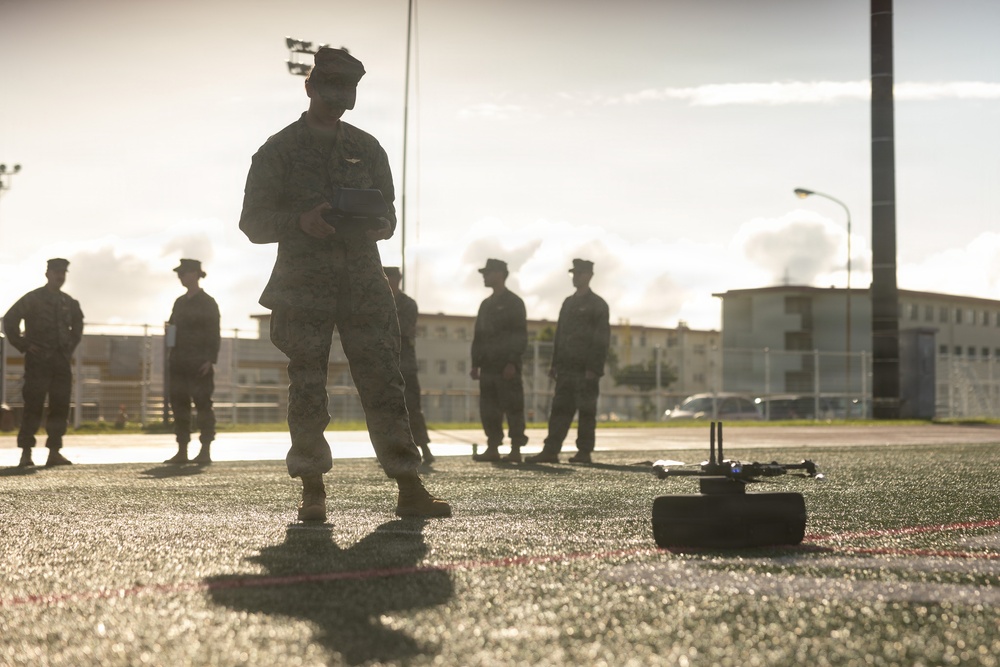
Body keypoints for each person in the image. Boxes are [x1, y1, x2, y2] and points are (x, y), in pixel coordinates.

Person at [239, 46, 450, 522]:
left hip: (362, 283)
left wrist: (380, 224)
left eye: (348, 91)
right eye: (331, 89)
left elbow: (388, 213)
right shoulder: (278, 150)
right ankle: (312, 489)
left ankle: (408, 485)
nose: (339, 99)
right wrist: (300, 221)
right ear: (310, 87)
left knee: (384, 382)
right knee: (308, 385)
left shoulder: (367, 148)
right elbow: (252, 222)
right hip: (303, 284)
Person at [526, 259, 610, 464]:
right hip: (566, 369)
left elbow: (601, 339)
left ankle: (584, 452)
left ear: (589, 275)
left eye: (579, 273)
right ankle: (551, 450)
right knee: (559, 411)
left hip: (585, 370)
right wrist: (555, 363)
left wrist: (593, 368)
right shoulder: (568, 303)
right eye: (574, 273)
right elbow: (560, 335)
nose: (575, 277)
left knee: (586, 412)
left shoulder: (598, 304)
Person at [2, 258, 84, 467]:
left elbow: (78, 326)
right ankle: (26, 453)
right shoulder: (33, 299)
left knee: (60, 406)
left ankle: (54, 451)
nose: (60, 276)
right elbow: (9, 320)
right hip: (38, 361)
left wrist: (68, 348)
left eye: (63, 273)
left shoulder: (69, 302)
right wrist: (24, 344)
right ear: (47, 274)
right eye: (56, 272)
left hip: (60, 362)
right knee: (33, 406)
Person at [469, 258, 528, 463]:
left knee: (513, 408)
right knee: (489, 410)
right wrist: (475, 363)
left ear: (500, 274)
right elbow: (479, 336)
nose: (484, 277)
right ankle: (493, 447)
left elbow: (520, 335)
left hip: (506, 367)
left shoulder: (514, 303)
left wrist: (512, 362)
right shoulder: (486, 305)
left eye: (488, 273)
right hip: (488, 367)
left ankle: (515, 449)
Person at [164, 259, 220, 465]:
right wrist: (170, 351)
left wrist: (210, 359)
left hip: (199, 363)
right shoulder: (179, 302)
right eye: (179, 274)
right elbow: (172, 327)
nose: (180, 277)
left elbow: (214, 332)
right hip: (178, 361)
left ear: (196, 274)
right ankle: (182, 450)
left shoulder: (208, 302)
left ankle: (205, 450)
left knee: (203, 405)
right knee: (179, 405)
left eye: (184, 273)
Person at [384, 266, 434, 464]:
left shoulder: (407, 304)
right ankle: (393, 449)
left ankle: (424, 448)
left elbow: (403, 329)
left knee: (412, 407)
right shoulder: (378, 301)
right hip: (387, 363)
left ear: (398, 279)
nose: (387, 280)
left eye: (389, 276)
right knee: (388, 409)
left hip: (405, 364)